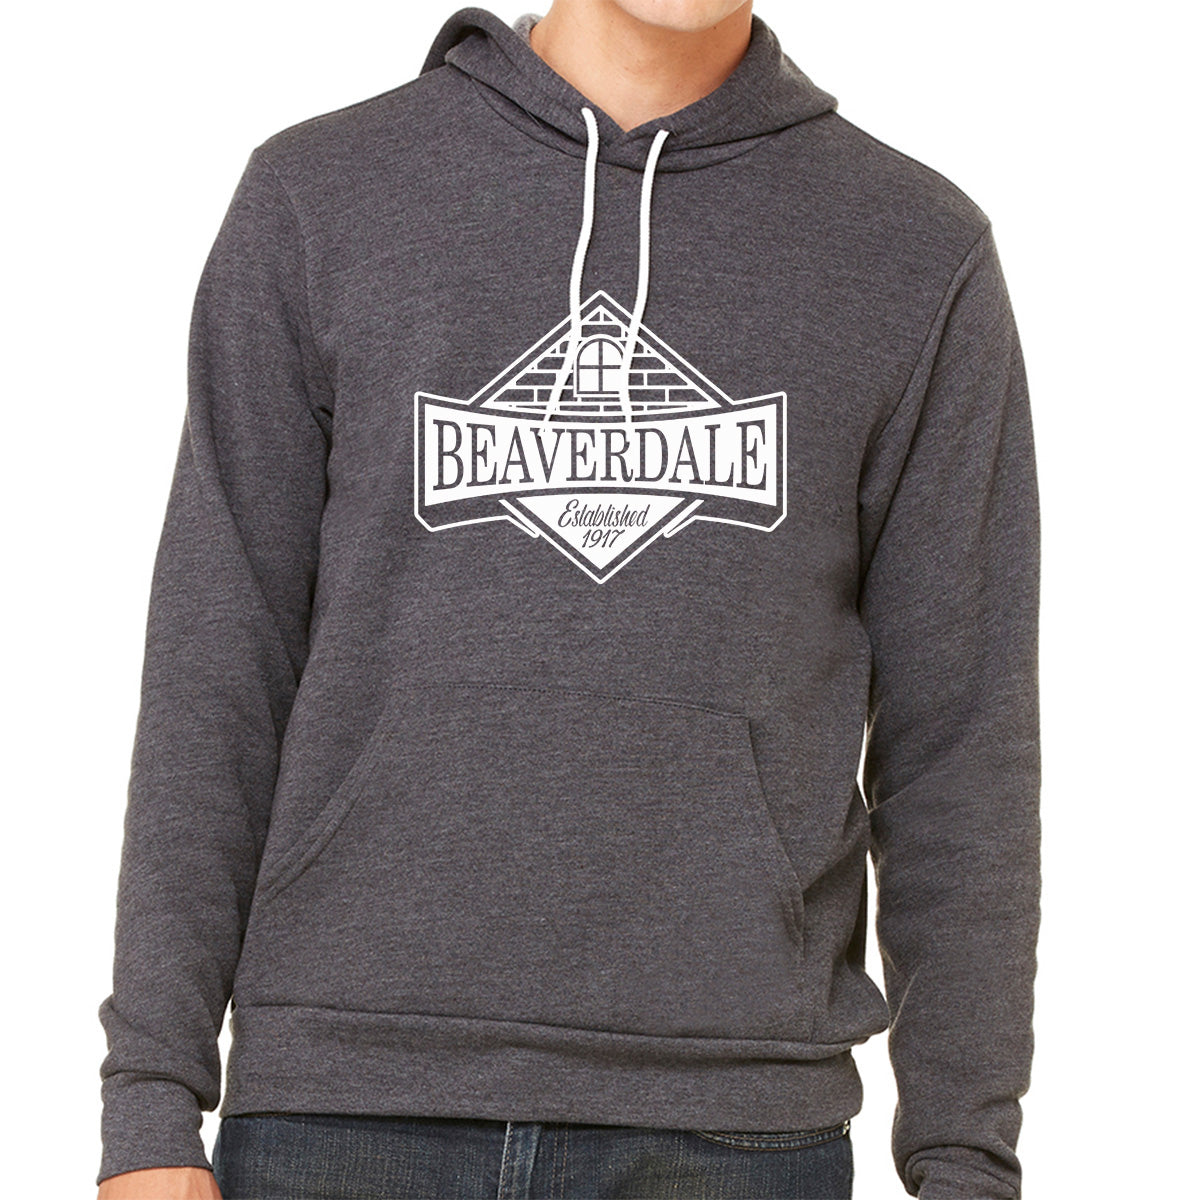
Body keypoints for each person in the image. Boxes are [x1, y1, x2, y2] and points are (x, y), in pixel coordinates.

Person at [95, 1, 1041, 1197]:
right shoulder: (322, 197)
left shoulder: (914, 252)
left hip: (732, 1129)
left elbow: (961, 740)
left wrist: (964, 1161)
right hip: (345, 1108)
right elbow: (218, 664)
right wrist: (151, 1105)